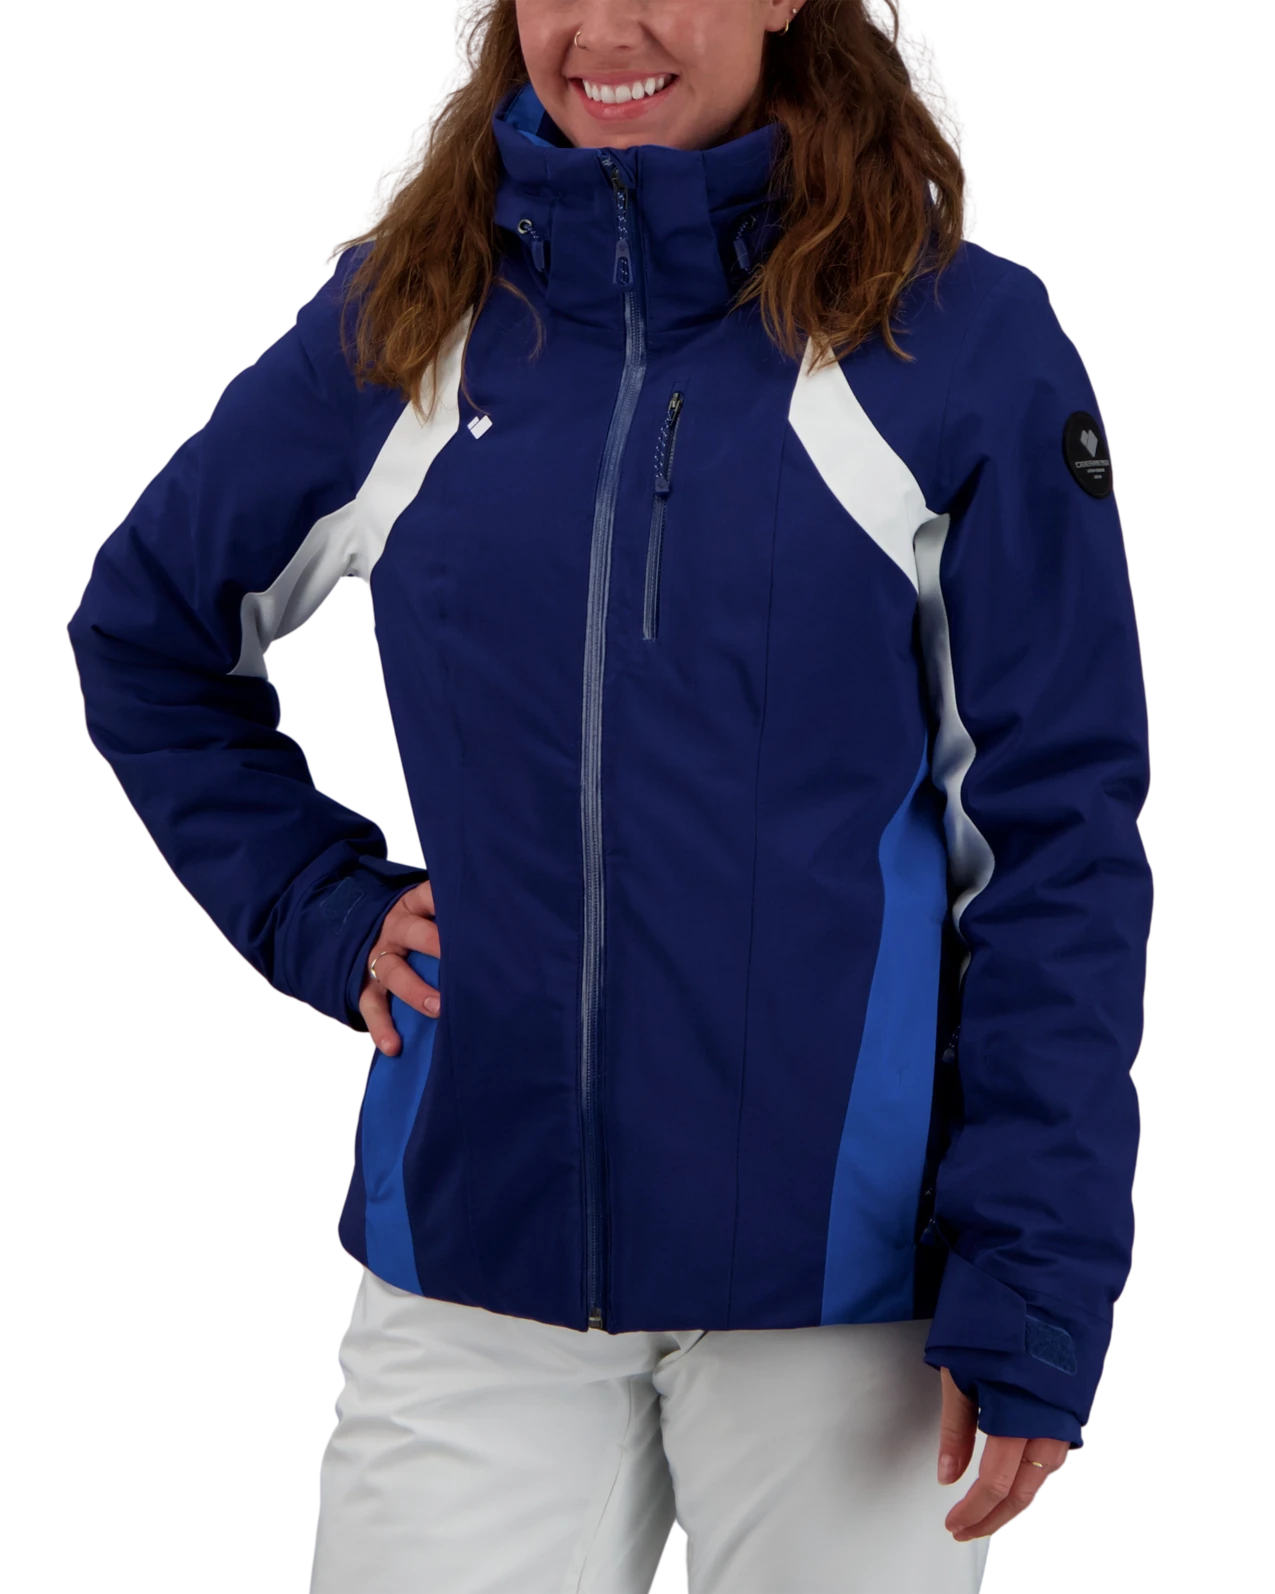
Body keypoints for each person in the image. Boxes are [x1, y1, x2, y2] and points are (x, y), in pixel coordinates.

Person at [66, 2, 1150, 1590]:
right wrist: (317, 902)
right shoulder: (408, 317)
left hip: (842, 1288)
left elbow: (1060, 839)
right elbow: (143, 626)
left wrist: (1034, 1281)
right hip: (472, 1254)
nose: (603, 28)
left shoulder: (953, 341)